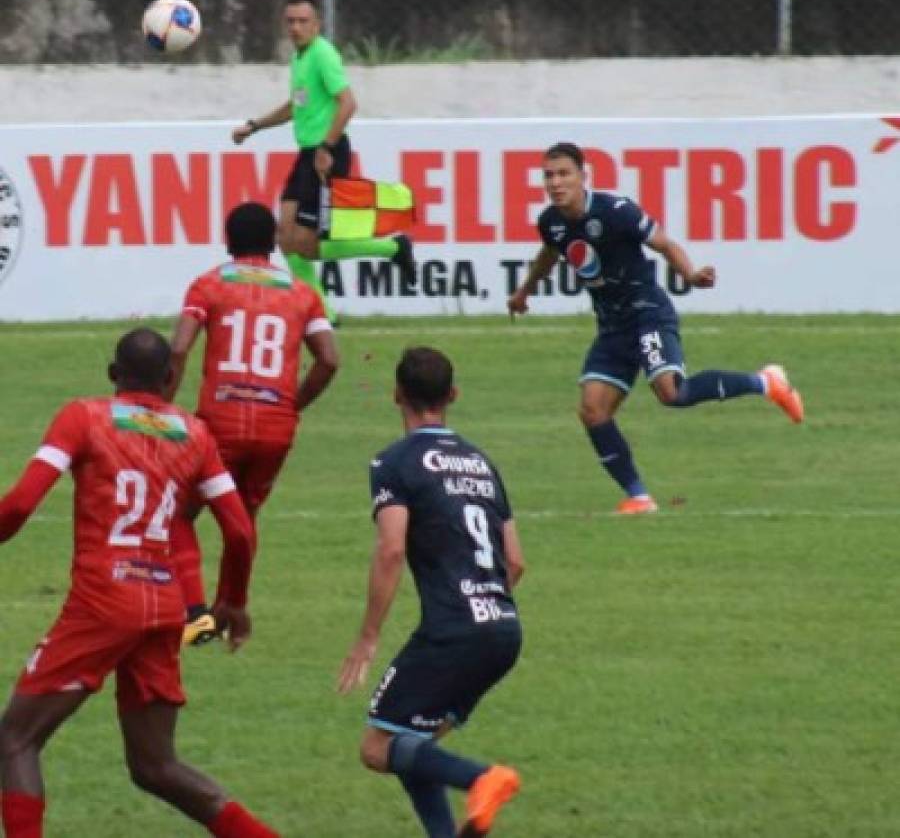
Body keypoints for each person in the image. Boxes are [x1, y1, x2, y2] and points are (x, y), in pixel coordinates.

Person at [0, 328, 278, 838]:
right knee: (156, 767)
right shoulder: (195, 433)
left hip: (102, 604)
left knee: (14, 740)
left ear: (112, 375)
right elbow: (239, 531)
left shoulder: (83, 416)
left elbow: (19, 504)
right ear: (170, 377)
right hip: (164, 607)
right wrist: (231, 601)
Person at [508, 141, 805, 515]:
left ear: (583, 176)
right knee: (592, 410)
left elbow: (664, 243)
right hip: (612, 326)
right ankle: (639, 497)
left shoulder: (616, 211)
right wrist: (524, 291)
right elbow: (550, 253)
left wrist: (692, 275)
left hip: (646, 312)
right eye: (548, 175)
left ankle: (766, 382)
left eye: (564, 173)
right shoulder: (550, 221)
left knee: (672, 394)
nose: (555, 182)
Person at [338, 347, 525, 838]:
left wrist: (368, 637)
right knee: (414, 743)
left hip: (454, 631)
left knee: (378, 747)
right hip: (504, 630)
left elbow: (391, 550)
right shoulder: (482, 463)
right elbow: (517, 560)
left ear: (397, 394)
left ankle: (482, 778)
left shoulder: (394, 462)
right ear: (453, 396)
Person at [166, 201, 339, 644]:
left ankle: (195, 611)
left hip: (219, 423)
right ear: (274, 243)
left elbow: (180, 348)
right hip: (275, 426)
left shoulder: (209, 285)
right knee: (243, 518)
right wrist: (292, 404)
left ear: (228, 241)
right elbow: (329, 360)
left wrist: (162, 402)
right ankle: (232, 604)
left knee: (179, 514)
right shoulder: (301, 292)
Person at [231, 0, 416, 321]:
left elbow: (348, 103)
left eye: (303, 21)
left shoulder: (322, 55)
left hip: (326, 154)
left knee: (306, 243)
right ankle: (323, 315)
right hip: (307, 154)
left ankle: (393, 248)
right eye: (290, 21)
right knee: (285, 238)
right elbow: (294, 105)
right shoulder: (299, 59)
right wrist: (254, 126)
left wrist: (326, 148)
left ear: (316, 24)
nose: (296, 27)